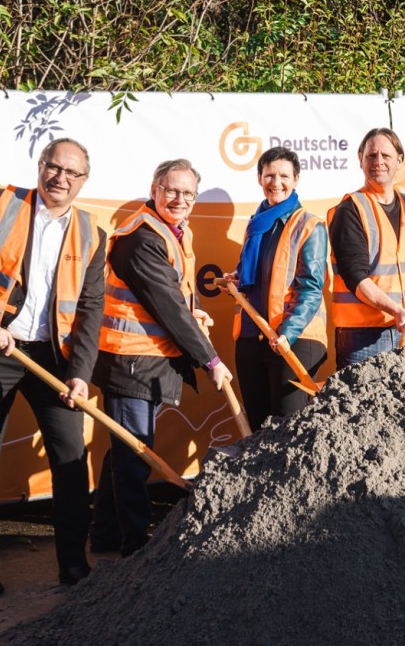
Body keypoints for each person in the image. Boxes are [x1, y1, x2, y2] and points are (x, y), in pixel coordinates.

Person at [0, 138, 105, 595]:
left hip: (55, 358)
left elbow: (90, 309)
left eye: (72, 173)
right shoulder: (2, 204)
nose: (61, 178)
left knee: (71, 460)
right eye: (55, 167)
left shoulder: (91, 232)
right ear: (41, 166)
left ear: (83, 181)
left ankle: (73, 564)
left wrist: (81, 373)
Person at [88, 158, 232, 558]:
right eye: (171, 190)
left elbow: (177, 290)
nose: (179, 199)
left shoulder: (174, 231)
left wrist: (195, 308)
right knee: (136, 453)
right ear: (154, 190)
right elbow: (165, 303)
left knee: (124, 447)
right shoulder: (141, 237)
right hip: (131, 358)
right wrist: (211, 361)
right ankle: (134, 545)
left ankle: (104, 535)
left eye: (188, 193)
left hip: (148, 359)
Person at [226, 147, 328, 431]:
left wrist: (287, 332)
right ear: (259, 178)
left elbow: (310, 287)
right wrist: (235, 277)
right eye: (269, 174)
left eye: (284, 175)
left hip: (292, 340)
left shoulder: (310, 225)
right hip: (251, 336)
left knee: (288, 430)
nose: (276, 182)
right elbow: (254, 271)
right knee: (259, 428)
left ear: (296, 179)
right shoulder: (256, 224)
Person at [327, 128, 405, 369]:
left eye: (386, 155)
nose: (378, 162)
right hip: (362, 339)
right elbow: (355, 277)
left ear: (399, 161)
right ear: (360, 159)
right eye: (371, 155)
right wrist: (395, 310)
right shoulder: (349, 210)